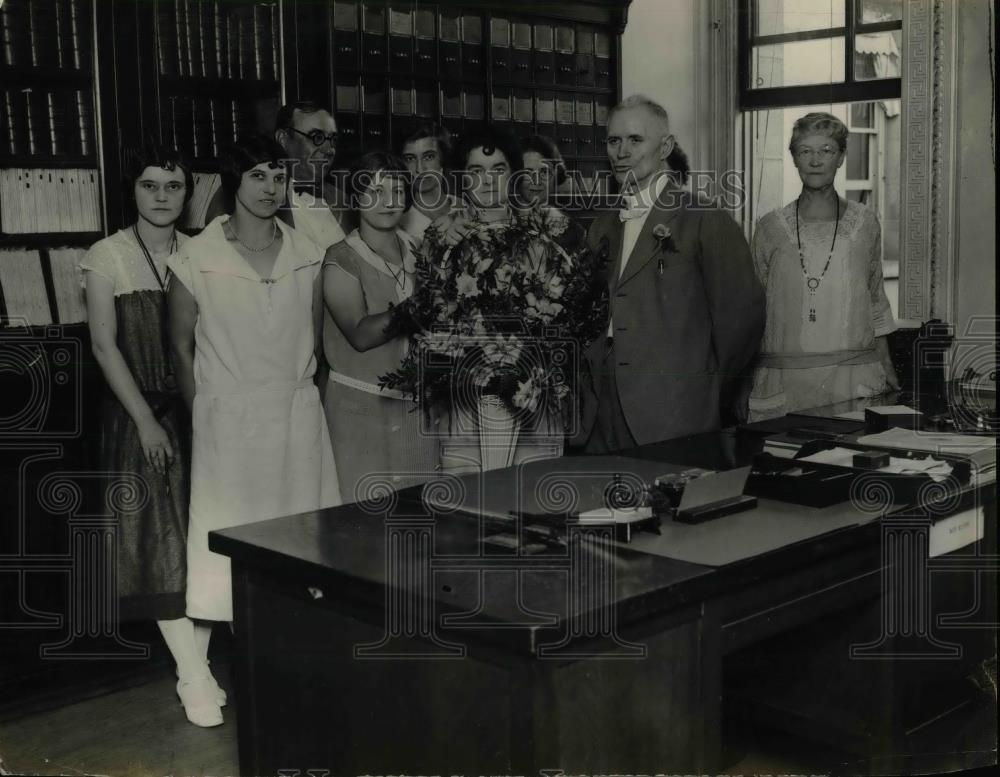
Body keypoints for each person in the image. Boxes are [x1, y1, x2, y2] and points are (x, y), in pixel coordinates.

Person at [167, 135, 340, 725]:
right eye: (260, 177)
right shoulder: (196, 257)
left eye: (279, 178)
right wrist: (205, 415)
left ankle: (299, 677)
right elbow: (179, 345)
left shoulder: (306, 252)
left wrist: (301, 401)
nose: (272, 188)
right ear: (233, 183)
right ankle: (228, 682)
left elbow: (315, 341)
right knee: (232, 547)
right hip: (228, 422)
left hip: (295, 418)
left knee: (299, 542)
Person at [81, 144, 225, 727]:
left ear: (188, 192)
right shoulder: (106, 255)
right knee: (158, 545)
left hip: (201, 412)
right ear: (132, 191)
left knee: (206, 542)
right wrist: (144, 420)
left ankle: (198, 668)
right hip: (140, 414)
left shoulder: (204, 252)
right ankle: (194, 677)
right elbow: (102, 345)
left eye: (173, 186)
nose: (162, 196)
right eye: (150, 186)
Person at [577, 95, 765, 453]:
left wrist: (704, 392)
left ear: (665, 146)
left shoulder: (705, 219)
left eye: (635, 140)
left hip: (675, 410)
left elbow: (741, 321)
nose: (621, 152)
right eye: (614, 141)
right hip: (604, 413)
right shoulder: (602, 226)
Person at [748, 112, 898, 419]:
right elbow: (752, 310)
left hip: (853, 380)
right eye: (806, 151)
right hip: (785, 380)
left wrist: (887, 368)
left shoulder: (865, 223)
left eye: (826, 151)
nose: (815, 161)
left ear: (841, 157)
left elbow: (875, 301)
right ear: (794, 158)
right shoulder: (770, 227)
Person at [321, 152, 438, 500]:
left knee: (418, 520)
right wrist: (420, 305)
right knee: (363, 525)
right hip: (361, 410)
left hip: (416, 409)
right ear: (355, 197)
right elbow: (360, 334)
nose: (388, 201)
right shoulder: (340, 258)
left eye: (396, 190)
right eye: (373, 190)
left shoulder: (419, 249)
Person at [204, 101, 347, 251]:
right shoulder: (243, 190)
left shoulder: (342, 197)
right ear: (283, 139)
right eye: (316, 137)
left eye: (333, 139)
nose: (329, 150)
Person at [518, 133, 586, 251]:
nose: (537, 181)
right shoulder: (499, 225)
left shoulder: (573, 231)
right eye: (527, 173)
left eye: (544, 172)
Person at [399, 123, 461, 243]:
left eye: (428, 157)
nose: (420, 169)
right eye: (410, 159)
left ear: (442, 159)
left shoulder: (466, 209)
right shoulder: (399, 222)